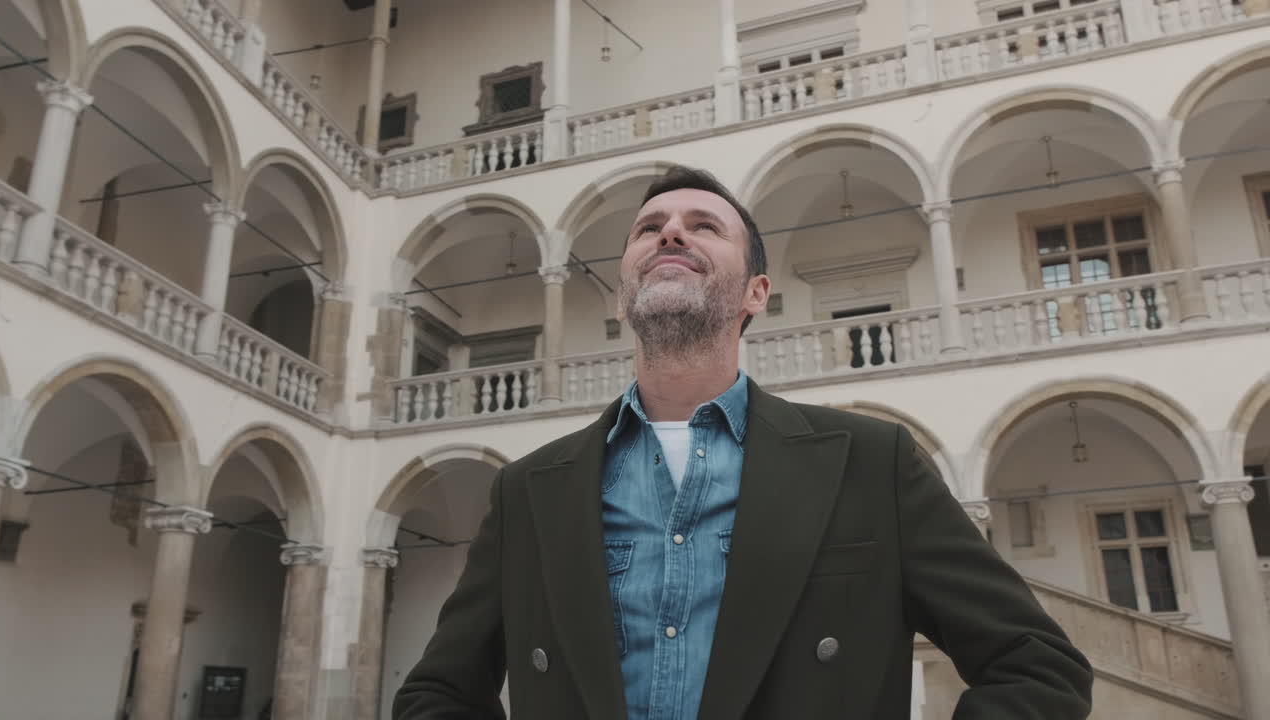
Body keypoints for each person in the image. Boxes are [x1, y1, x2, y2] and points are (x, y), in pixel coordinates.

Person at [393, 166, 1093, 720]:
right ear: (621, 296)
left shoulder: (870, 463)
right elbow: (437, 694)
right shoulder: (528, 489)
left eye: (703, 226)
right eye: (649, 229)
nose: (671, 234)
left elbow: (1038, 666)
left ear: (756, 292)